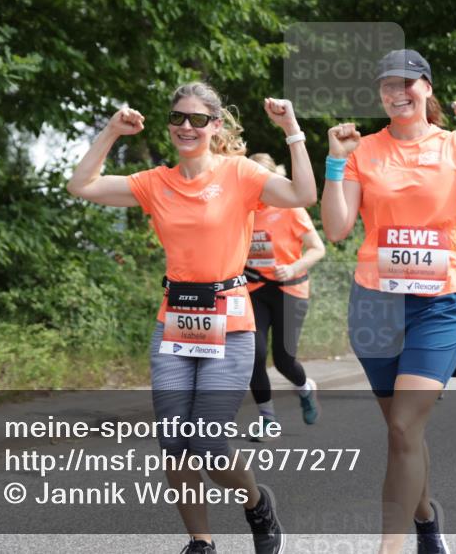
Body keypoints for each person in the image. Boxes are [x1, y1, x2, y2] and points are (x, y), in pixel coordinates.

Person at [66, 82, 316, 554]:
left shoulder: (240, 174)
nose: (186, 126)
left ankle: (258, 505)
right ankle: (201, 541)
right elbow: (81, 185)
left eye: (198, 119)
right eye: (178, 118)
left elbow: (303, 192)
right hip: (175, 323)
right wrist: (111, 131)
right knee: (175, 442)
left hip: (231, 324)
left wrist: (291, 128)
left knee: (209, 444)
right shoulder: (155, 182)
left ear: (215, 126)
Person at [321, 49, 456, 554]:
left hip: (440, 304)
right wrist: (334, 161)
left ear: (427, 88)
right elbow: (336, 228)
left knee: (401, 426)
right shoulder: (363, 151)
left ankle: (389, 549)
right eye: (387, 86)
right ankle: (426, 520)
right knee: (405, 433)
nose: (397, 93)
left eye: (407, 83)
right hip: (376, 305)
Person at [245, 153, 327, 437]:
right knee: (253, 355)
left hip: (289, 288)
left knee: (284, 360)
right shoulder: (242, 210)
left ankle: (305, 389)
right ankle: (267, 419)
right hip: (254, 289)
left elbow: (317, 248)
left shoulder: (290, 208)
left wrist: (292, 268)